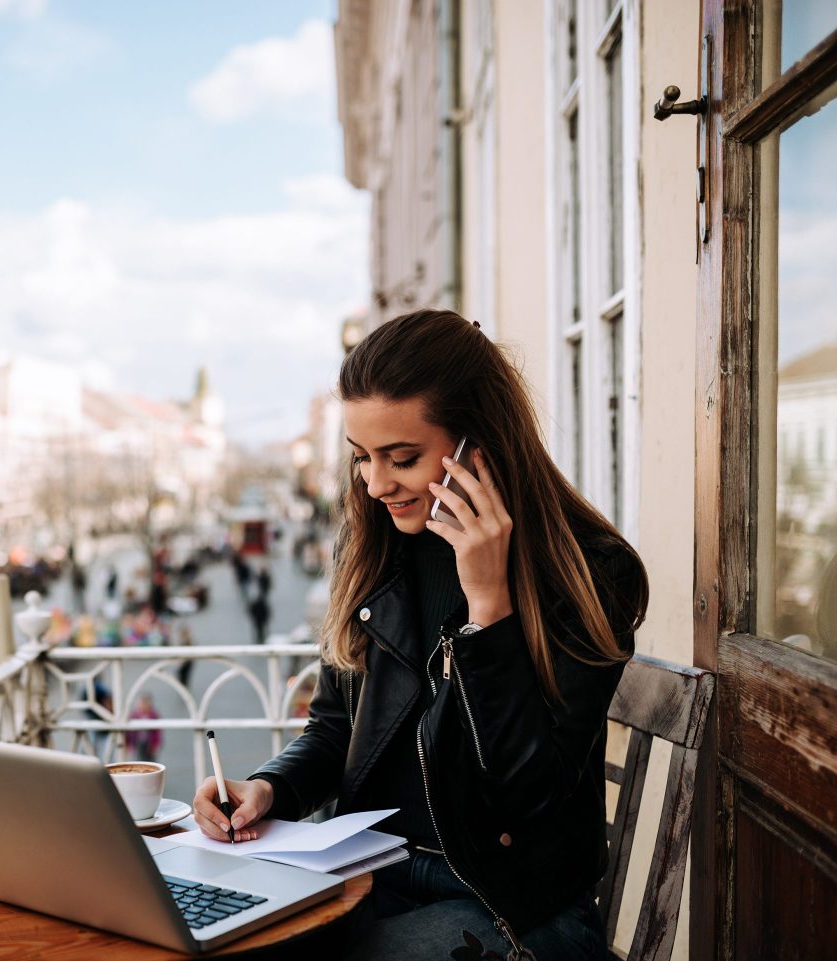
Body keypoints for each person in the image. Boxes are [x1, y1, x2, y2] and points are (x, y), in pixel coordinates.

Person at [191, 310, 647, 961]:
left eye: (401, 457)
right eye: (362, 458)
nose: (376, 484)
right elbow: (334, 727)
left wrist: (489, 610)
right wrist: (267, 789)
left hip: (509, 908)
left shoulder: (590, 570)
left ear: (478, 444)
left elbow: (529, 797)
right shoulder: (377, 547)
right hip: (364, 880)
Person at [124, 694, 162, 763]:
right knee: (138, 760)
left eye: (146, 703)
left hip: (149, 743)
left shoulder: (153, 715)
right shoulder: (134, 716)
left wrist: (156, 744)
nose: (143, 706)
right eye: (142, 703)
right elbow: (129, 732)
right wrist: (128, 744)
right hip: (137, 742)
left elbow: (157, 732)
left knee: (151, 761)